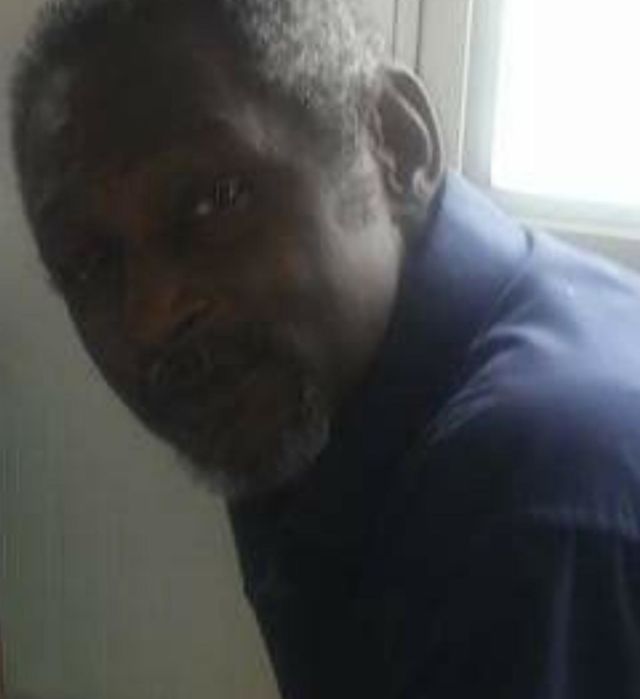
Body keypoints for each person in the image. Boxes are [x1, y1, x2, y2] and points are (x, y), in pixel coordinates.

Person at [10, 1, 640, 697]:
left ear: (394, 142)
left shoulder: (524, 512)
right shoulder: (304, 386)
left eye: (216, 200)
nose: (154, 316)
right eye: (89, 265)